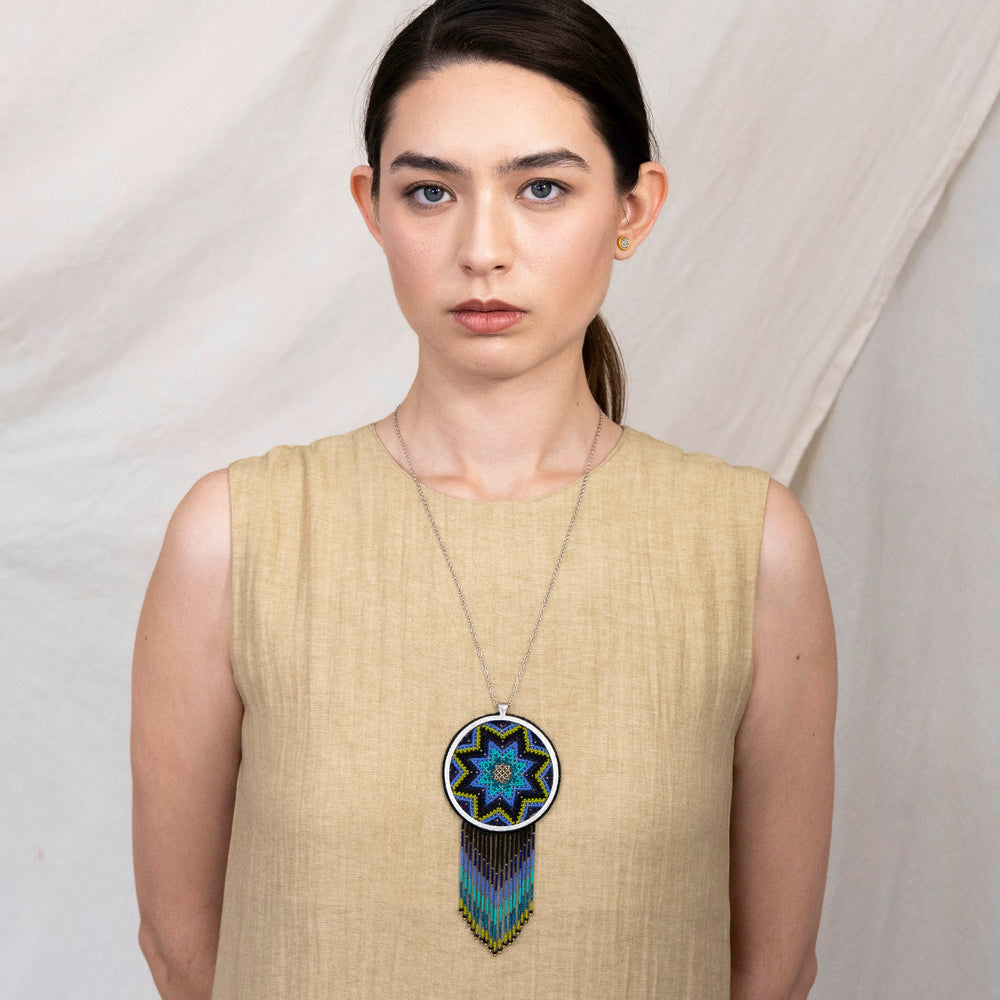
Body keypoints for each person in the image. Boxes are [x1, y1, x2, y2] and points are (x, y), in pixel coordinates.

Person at [131, 1, 837, 997]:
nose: (483, 248)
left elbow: (773, 971)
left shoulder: (749, 547)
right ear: (372, 207)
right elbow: (181, 950)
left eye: (542, 187)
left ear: (633, 209)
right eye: (431, 192)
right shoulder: (237, 538)